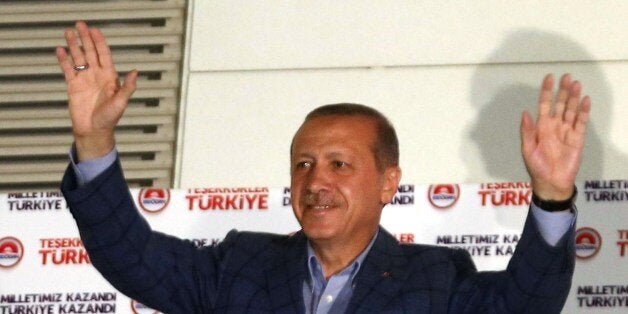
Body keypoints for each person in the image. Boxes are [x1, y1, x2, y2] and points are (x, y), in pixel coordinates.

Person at [57, 21, 590, 313]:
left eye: (340, 164)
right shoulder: (239, 266)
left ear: (388, 183)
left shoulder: (435, 280)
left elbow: (528, 303)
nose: (316, 182)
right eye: (303, 164)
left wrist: (550, 195)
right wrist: (95, 137)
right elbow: (130, 256)